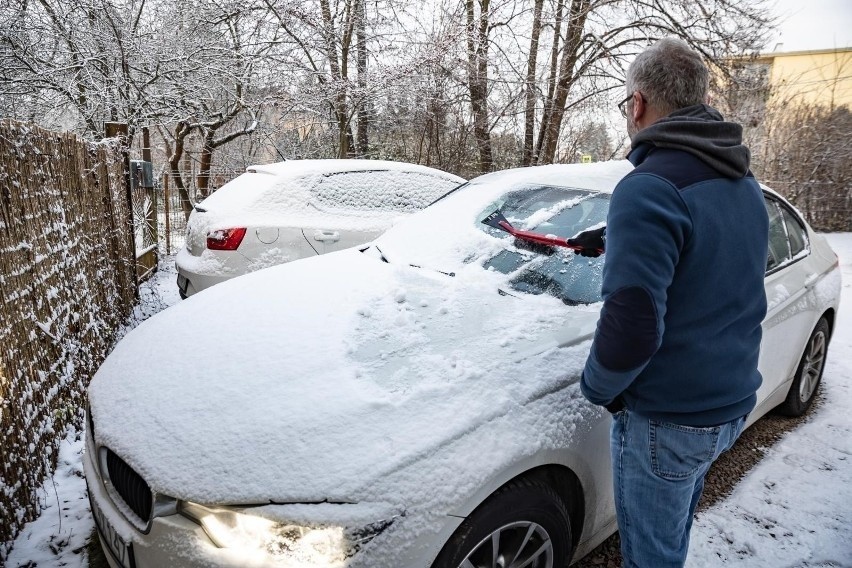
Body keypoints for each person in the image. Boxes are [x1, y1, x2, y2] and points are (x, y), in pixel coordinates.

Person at [566, 38, 769, 567]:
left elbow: (632, 328)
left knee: (651, 558)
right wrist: (619, 235)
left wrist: (597, 388)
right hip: (728, 404)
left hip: (668, 419)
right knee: (670, 541)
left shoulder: (647, 187)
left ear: (637, 104)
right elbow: (709, 256)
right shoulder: (738, 178)